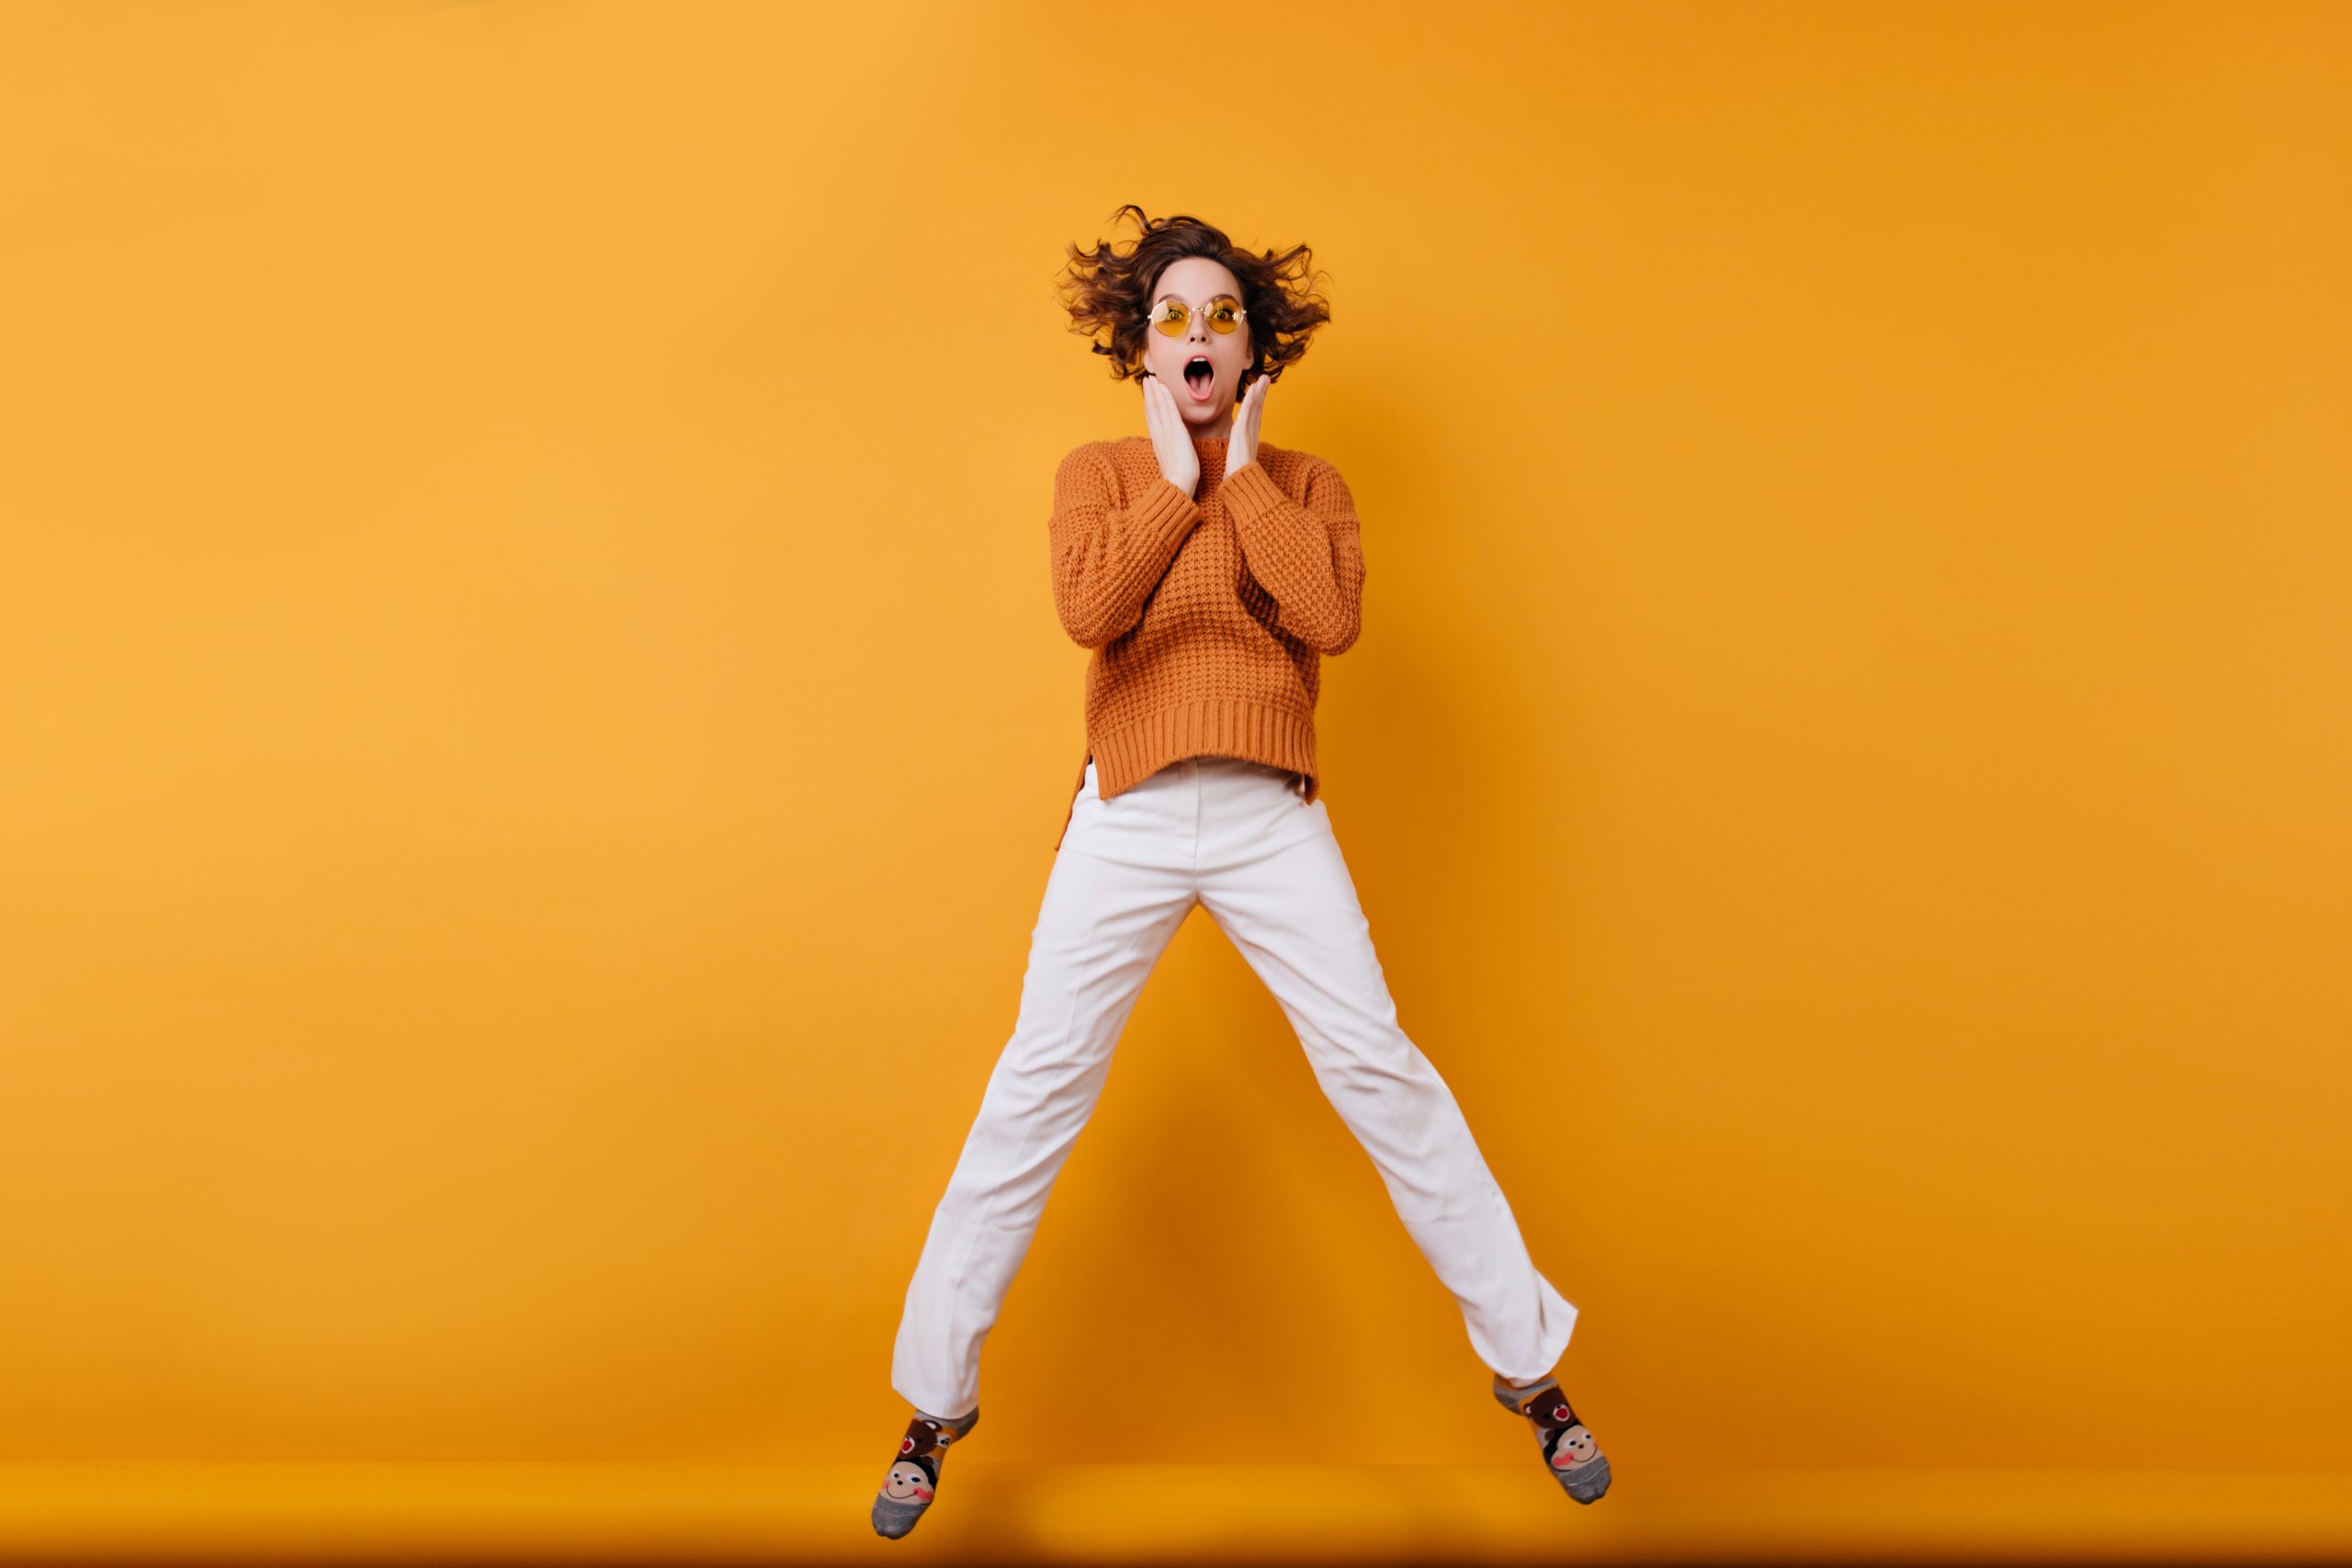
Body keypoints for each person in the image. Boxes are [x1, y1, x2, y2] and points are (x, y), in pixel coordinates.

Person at [873, 208, 1610, 1540]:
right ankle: (931, 1410)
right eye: (1174, 319)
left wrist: (1246, 477)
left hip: (1270, 813)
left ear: (1254, 349)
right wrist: (1172, 481)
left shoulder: (1309, 484)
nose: (1198, 336)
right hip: (1132, 811)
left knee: (1379, 1068)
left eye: (1221, 317)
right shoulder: (1097, 472)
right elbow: (1090, 615)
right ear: (1140, 348)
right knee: (1037, 1085)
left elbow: (1329, 620)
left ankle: (1534, 1374)